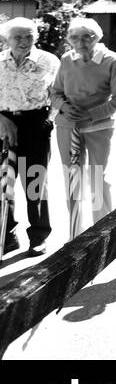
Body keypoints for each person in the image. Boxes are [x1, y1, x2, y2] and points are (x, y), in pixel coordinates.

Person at [50, 18, 116, 238]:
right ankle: (76, 233)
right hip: (68, 126)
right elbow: (55, 93)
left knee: (97, 177)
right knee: (72, 177)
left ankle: (103, 231)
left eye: (87, 36)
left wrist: (90, 114)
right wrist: (64, 106)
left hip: (98, 127)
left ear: (97, 37)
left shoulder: (112, 60)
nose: (80, 41)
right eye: (74, 37)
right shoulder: (65, 59)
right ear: (68, 40)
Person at [0, 17, 59, 257]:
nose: (23, 41)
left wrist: (49, 120)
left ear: (36, 37)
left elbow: (59, 94)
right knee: (4, 183)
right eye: (17, 37)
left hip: (36, 123)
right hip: (3, 123)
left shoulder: (49, 61)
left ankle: (38, 236)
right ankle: (7, 236)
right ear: (7, 39)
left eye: (28, 36)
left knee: (35, 181)